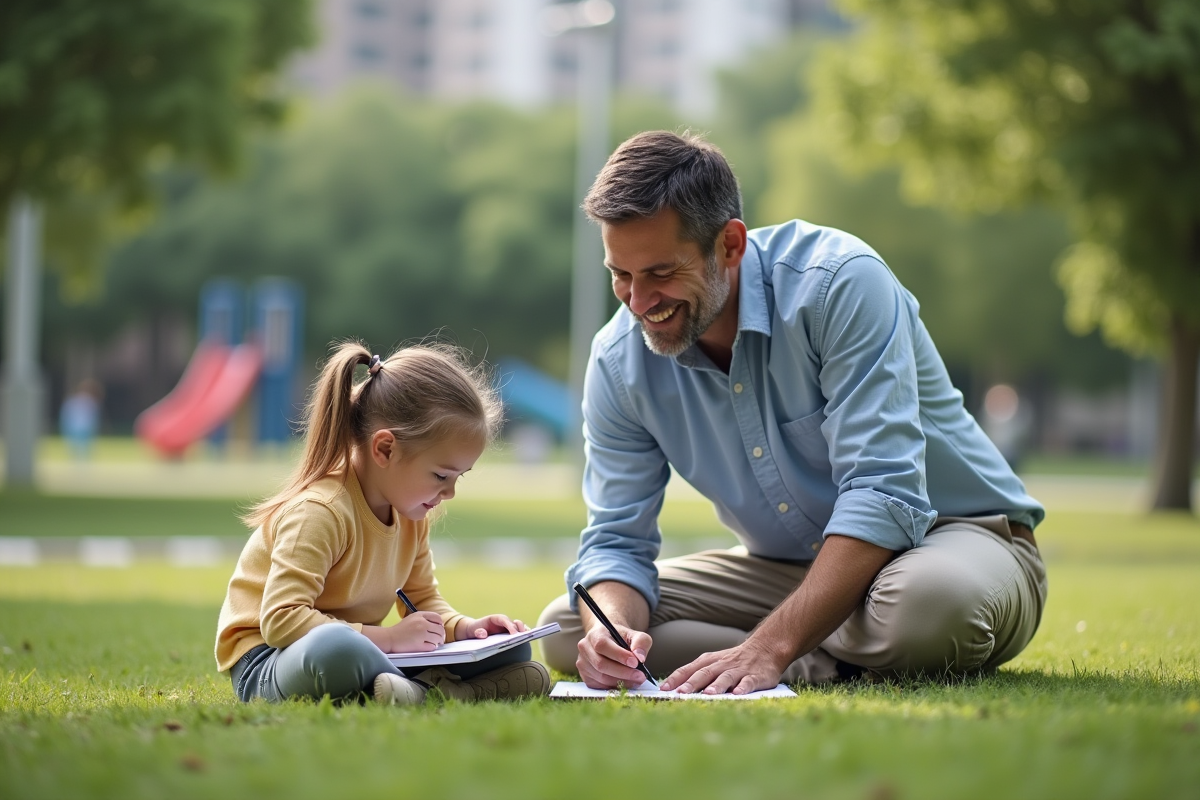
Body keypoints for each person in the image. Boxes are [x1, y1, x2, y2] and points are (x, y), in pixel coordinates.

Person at [538, 131, 1047, 695]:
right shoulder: (617, 361)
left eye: (659, 273)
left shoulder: (840, 284)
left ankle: (785, 648)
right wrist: (615, 636)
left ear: (729, 244)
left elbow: (884, 492)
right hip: (786, 569)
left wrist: (769, 644)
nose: (638, 302)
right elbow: (616, 542)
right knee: (569, 625)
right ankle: (824, 651)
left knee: (927, 608)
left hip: (949, 538)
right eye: (620, 275)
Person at [215, 342, 550, 705]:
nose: (450, 492)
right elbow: (281, 621)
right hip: (272, 660)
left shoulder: (410, 514)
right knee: (338, 649)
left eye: (459, 477)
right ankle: (435, 691)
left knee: (511, 653)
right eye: (441, 475)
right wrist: (389, 639)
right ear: (385, 449)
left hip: (368, 651)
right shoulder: (319, 512)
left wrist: (470, 629)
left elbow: (422, 602)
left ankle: (414, 693)